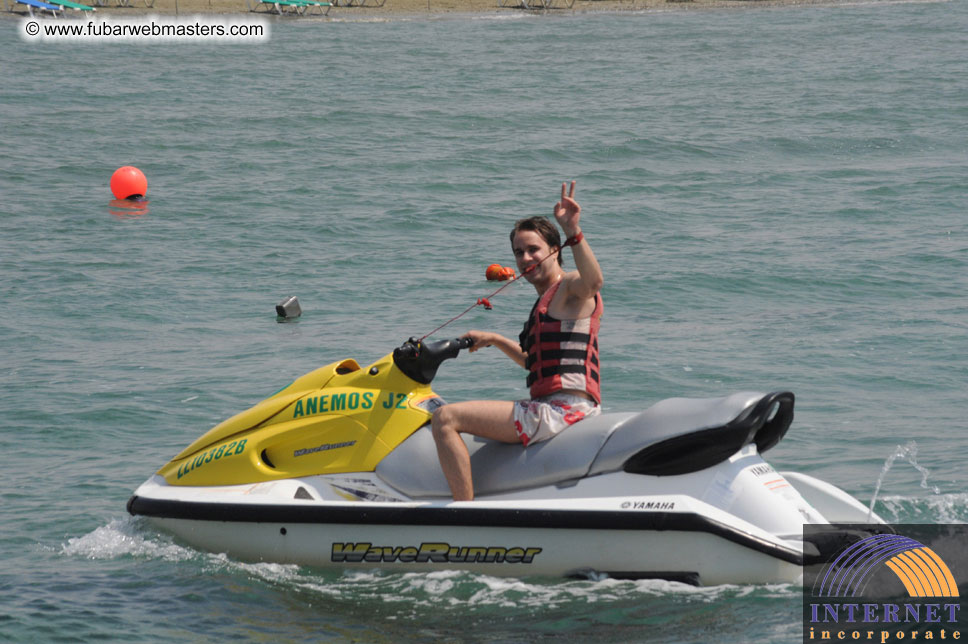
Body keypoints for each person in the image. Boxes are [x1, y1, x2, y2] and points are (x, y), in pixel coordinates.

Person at [431, 181, 604, 501]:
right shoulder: (547, 301)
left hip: (563, 410)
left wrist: (573, 231)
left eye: (533, 249)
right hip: (557, 407)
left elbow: (593, 282)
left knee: (445, 417)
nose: (525, 258)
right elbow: (533, 362)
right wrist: (494, 339)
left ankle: (463, 512)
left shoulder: (570, 288)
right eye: (518, 252)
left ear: (555, 250)